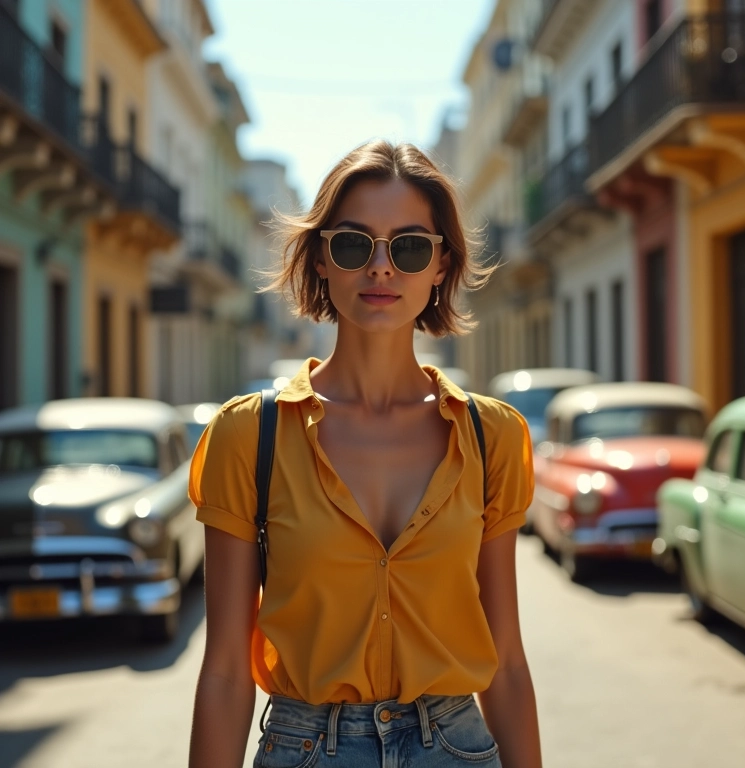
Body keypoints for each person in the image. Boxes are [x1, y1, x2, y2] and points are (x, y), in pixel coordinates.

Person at [188, 140, 541, 768]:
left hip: (455, 747)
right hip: (305, 748)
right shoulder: (250, 435)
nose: (381, 268)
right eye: (353, 243)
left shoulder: (492, 436)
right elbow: (223, 672)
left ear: (440, 266)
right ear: (322, 260)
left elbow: (507, 662)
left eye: (408, 247)